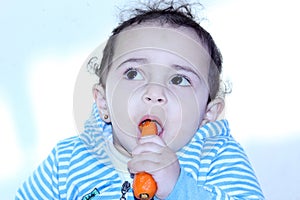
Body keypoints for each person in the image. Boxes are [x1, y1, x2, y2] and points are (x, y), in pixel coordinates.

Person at [16, 1, 264, 199]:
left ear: (208, 114)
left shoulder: (215, 156)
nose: (154, 92)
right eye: (133, 73)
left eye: (179, 79)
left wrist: (179, 188)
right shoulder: (67, 161)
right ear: (103, 102)